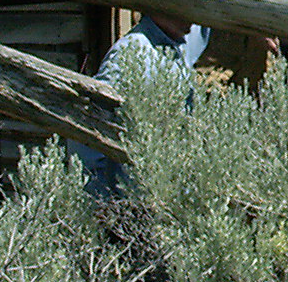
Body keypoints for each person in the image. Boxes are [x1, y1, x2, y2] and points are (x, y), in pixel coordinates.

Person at [70, 12, 211, 200]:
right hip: (136, 203)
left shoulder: (180, 40)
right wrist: (101, 203)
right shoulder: (132, 55)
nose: (194, 17)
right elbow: (87, 131)